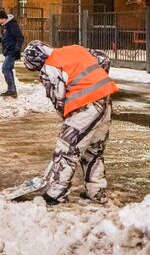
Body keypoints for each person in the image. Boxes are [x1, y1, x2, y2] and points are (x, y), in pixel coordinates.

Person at [22, 40, 119, 205]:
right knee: (93, 150)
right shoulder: (73, 49)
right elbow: (103, 59)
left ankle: (56, 193)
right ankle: (96, 192)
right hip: (105, 100)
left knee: (66, 148)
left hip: (85, 107)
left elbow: (58, 99)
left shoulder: (48, 68)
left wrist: (68, 119)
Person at [0, 10, 24, 97]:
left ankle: (11, 90)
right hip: (8, 51)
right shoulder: (5, 27)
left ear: (5, 18)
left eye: (1, 19)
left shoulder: (12, 25)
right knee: (8, 69)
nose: (0, 21)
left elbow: (20, 37)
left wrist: (17, 50)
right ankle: (12, 89)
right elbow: (7, 38)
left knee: (5, 68)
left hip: (12, 51)